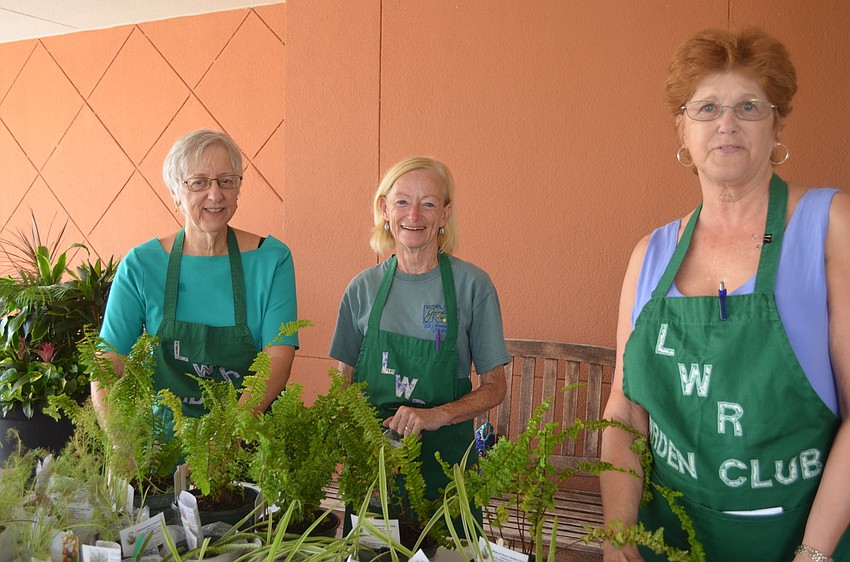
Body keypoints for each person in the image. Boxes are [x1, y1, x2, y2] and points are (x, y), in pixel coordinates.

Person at [600, 28, 850, 561]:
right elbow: (624, 410)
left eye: (749, 106)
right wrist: (618, 533)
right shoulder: (649, 255)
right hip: (667, 543)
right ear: (682, 129)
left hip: (799, 542)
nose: (727, 123)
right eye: (707, 107)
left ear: (778, 122)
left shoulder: (830, 227)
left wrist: (814, 553)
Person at [329, 156, 509, 524]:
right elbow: (342, 386)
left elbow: (495, 387)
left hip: (447, 468)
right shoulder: (362, 289)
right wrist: (357, 449)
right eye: (402, 202)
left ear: (444, 215)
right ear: (384, 209)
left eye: (428, 203)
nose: (414, 214)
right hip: (375, 470)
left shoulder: (473, 286)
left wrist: (434, 416)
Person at [95, 129, 298, 424]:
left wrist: (228, 435)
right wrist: (120, 441)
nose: (215, 194)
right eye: (199, 182)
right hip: (160, 450)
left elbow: (277, 358)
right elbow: (109, 362)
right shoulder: (141, 264)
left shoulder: (271, 259)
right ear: (175, 192)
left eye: (226, 181)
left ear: (238, 189)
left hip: (247, 442)